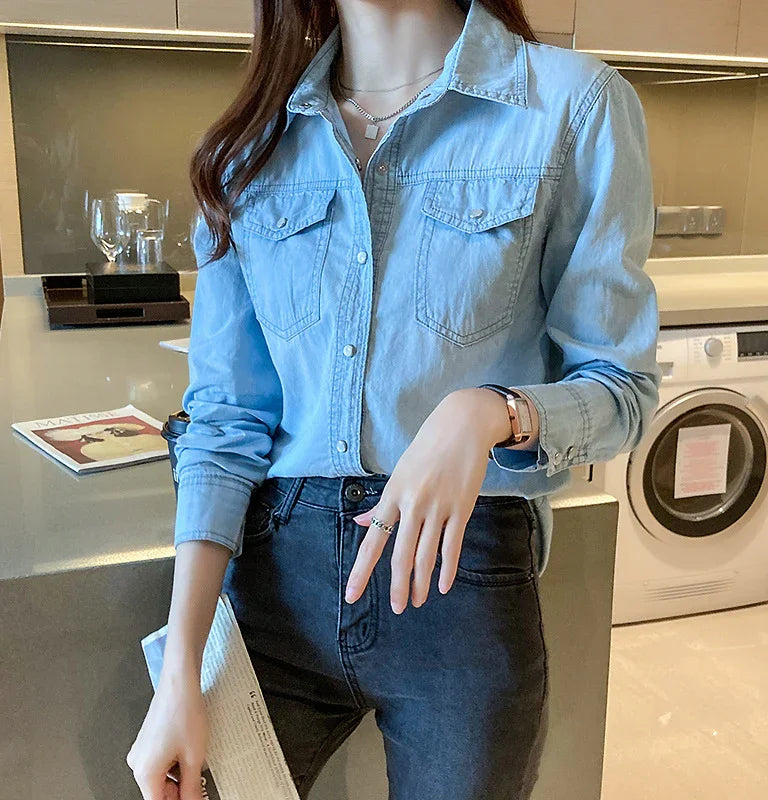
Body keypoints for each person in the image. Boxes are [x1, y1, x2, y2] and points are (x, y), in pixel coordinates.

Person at [126, 0, 661, 798]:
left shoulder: (573, 107)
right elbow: (225, 422)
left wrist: (490, 411)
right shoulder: (249, 147)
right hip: (275, 581)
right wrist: (180, 672)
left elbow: (622, 389)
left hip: (462, 587)